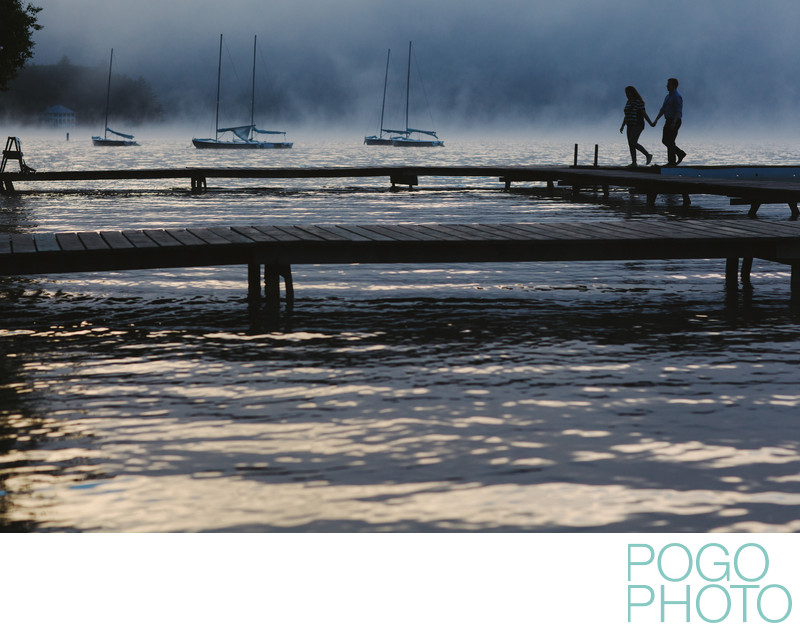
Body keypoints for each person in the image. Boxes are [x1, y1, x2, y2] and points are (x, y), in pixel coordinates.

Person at [652, 77, 686, 166]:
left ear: (673, 86)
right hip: (668, 120)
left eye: (668, 84)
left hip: (675, 120)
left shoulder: (677, 97)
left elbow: (678, 111)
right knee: (665, 140)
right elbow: (663, 109)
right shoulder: (668, 96)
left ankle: (672, 162)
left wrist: (674, 122)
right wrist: (656, 120)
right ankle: (680, 153)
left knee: (670, 141)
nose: (666, 86)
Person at [619, 86, 654, 167]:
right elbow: (626, 115)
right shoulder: (628, 102)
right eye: (626, 93)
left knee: (633, 142)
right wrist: (622, 125)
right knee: (630, 144)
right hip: (629, 124)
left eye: (629, 92)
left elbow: (643, 113)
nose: (627, 94)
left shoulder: (638, 102)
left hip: (637, 124)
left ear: (633, 93)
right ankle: (634, 162)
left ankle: (648, 155)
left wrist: (650, 123)